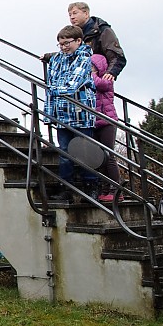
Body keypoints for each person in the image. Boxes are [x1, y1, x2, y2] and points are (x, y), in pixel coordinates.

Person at [43, 25, 98, 198]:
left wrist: (55, 89)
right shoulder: (56, 59)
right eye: (61, 44)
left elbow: (73, 83)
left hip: (80, 111)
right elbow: (51, 82)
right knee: (64, 151)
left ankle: (91, 185)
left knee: (84, 151)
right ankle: (66, 187)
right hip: (61, 112)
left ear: (78, 41)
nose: (64, 47)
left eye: (67, 43)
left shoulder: (84, 58)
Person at [67, 2, 127, 81]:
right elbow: (66, 54)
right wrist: (47, 57)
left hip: (98, 80)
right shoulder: (74, 34)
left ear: (86, 13)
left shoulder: (102, 30)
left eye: (75, 13)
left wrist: (111, 73)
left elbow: (117, 56)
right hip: (77, 79)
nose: (72, 17)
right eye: (70, 15)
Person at [90, 54, 120, 202]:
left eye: (92, 66)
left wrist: (92, 75)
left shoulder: (106, 79)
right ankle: (105, 188)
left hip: (107, 121)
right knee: (99, 157)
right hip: (95, 121)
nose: (90, 69)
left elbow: (101, 86)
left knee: (109, 156)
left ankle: (116, 189)